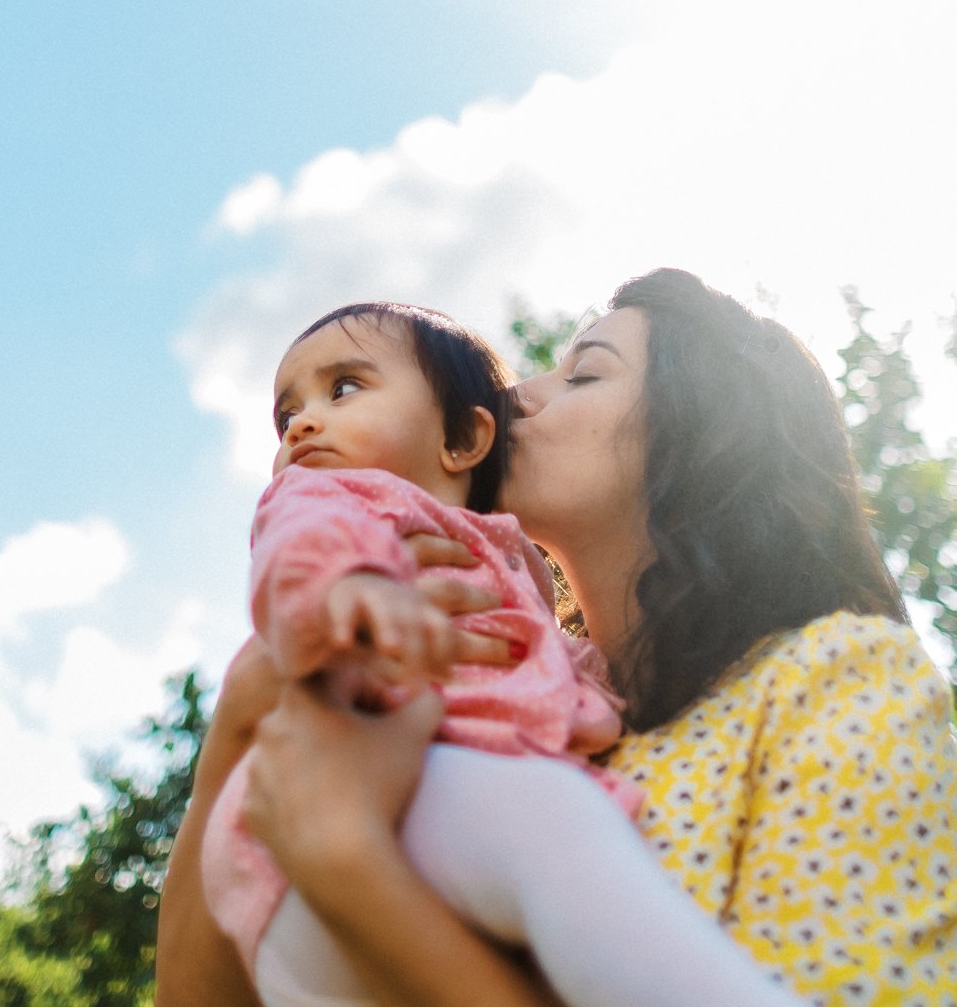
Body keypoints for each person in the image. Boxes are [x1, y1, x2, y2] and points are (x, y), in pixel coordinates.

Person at [159, 270, 957, 1006]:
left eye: (584, 376)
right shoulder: (553, 719)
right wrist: (241, 723)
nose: (519, 394)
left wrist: (349, 863)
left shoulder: (833, 678)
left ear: (698, 437)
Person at [207, 302, 790, 1007]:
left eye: (345, 388)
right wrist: (356, 588)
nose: (301, 423)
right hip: (354, 806)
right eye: (286, 412)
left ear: (461, 436)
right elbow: (301, 547)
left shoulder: (509, 563)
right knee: (558, 824)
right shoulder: (345, 505)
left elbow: (540, 663)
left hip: (356, 877)